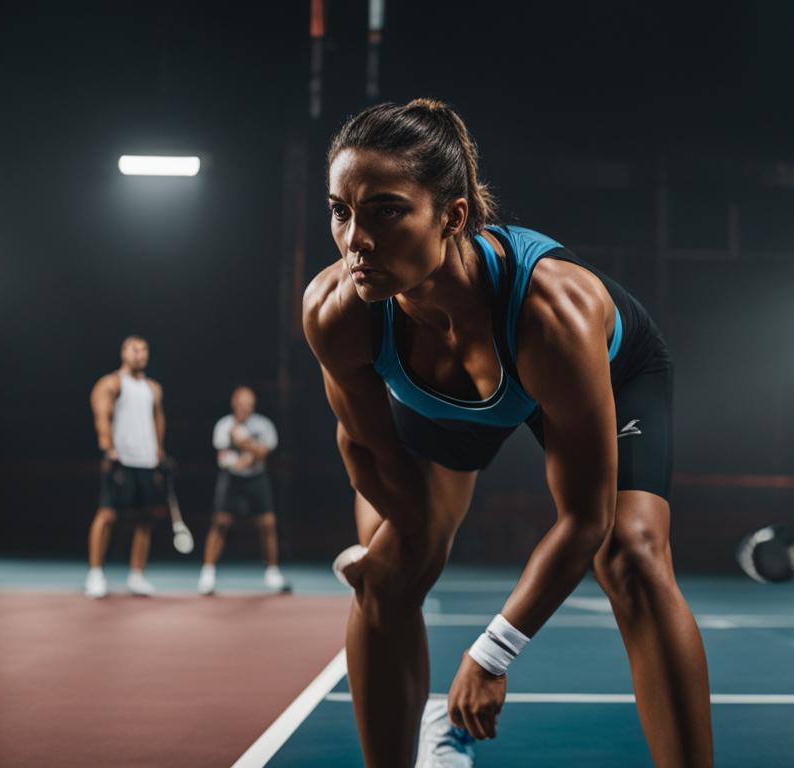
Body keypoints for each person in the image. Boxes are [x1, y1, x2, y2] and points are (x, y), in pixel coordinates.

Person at [303, 99, 713, 767]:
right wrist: (400, 545)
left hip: (601, 367)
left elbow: (587, 517)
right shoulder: (336, 311)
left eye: (385, 211)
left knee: (631, 556)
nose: (356, 240)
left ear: (454, 215)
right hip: (446, 403)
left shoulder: (554, 315)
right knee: (387, 578)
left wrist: (494, 652)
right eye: (340, 211)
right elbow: (365, 447)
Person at [84, 335, 167, 598]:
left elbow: (158, 420)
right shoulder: (112, 383)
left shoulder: (153, 388)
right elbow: (101, 415)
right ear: (123, 353)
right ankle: (95, 575)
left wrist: (159, 452)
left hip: (146, 461)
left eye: (144, 350)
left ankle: (137, 576)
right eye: (135, 349)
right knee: (107, 516)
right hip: (121, 460)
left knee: (145, 520)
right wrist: (108, 447)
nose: (140, 354)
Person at [197, 386, 290, 595]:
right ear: (234, 403)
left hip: (257, 478)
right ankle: (207, 575)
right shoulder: (224, 425)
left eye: (249, 404)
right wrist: (238, 460)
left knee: (267, 524)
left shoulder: (263, 425)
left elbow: (263, 453)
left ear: (253, 406)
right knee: (220, 522)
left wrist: (244, 442)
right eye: (241, 403)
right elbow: (222, 456)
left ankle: (273, 573)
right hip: (231, 478)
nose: (244, 408)